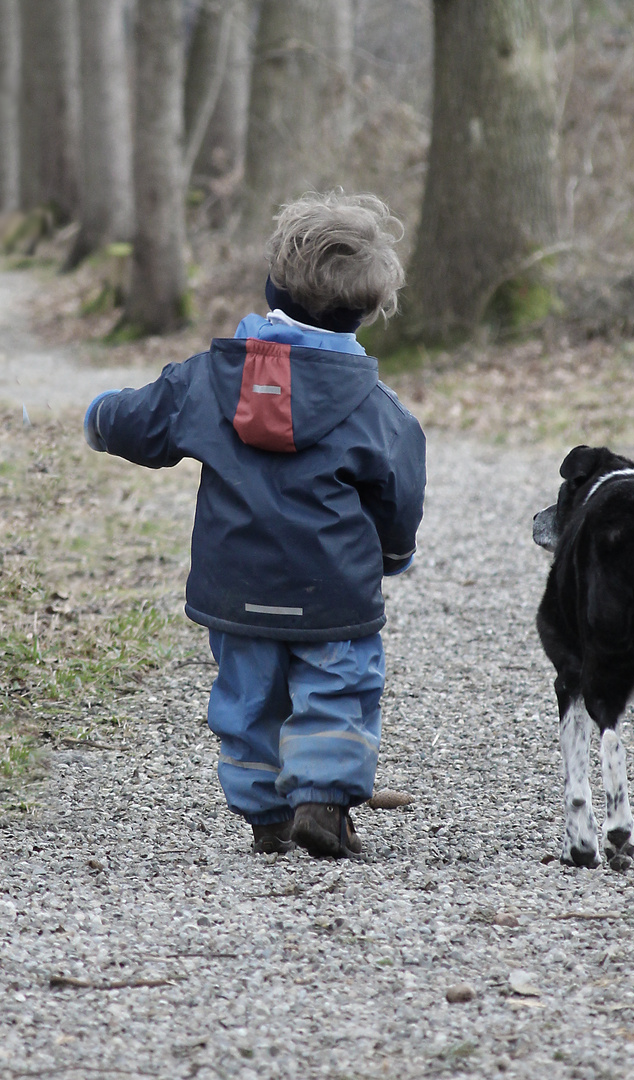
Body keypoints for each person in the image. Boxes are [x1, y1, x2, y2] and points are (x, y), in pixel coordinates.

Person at [84, 191, 426, 859]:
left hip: (234, 589)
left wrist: (97, 417)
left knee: (246, 701)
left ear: (272, 283)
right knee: (338, 688)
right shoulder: (377, 408)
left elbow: (137, 421)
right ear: (369, 309)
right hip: (332, 594)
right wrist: (393, 553)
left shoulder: (210, 380)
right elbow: (398, 496)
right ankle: (321, 800)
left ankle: (266, 812)